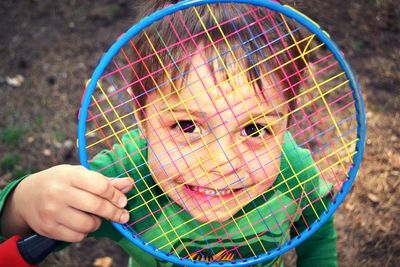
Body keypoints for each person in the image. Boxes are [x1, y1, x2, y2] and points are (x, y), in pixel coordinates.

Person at [0, 1, 337, 266]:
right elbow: (19, 227)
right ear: (141, 118)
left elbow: (316, 228)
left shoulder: (294, 171)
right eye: (187, 125)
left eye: (254, 128)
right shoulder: (121, 182)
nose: (221, 162)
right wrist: (23, 202)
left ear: (288, 123)